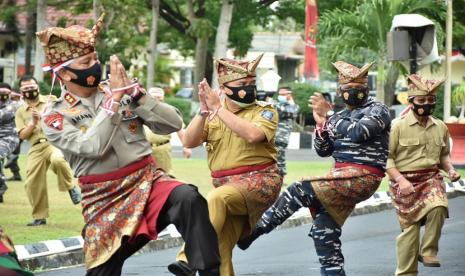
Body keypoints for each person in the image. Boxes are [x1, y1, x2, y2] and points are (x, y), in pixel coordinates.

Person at [36, 14, 220, 276]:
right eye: (86, 62)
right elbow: (92, 147)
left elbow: (172, 124)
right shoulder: (54, 115)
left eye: (96, 59)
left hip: (147, 180)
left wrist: (138, 95)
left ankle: (210, 271)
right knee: (102, 271)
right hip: (103, 197)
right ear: (64, 72)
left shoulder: (121, 92)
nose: (95, 66)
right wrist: (114, 102)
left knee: (187, 198)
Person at [237, 61, 391, 276]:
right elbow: (324, 150)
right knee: (323, 231)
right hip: (340, 177)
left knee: (301, 187)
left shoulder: (378, 109)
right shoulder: (337, 116)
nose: (353, 92)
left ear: (366, 88)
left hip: (363, 176)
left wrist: (329, 117)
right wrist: (321, 125)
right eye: (347, 89)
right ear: (340, 91)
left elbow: (360, 132)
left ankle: (256, 229)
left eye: (358, 88)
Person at [169, 54, 282, 276]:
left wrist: (218, 109)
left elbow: (253, 135)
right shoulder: (212, 116)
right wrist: (204, 111)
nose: (249, 88)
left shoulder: (264, 111)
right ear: (224, 88)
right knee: (220, 249)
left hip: (260, 182)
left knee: (214, 198)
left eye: (252, 84)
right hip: (227, 189)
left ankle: (188, 257)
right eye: (242, 85)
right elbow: (189, 141)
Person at [387, 74, 461, 275]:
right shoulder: (397, 126)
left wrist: (451, 170)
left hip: (431, 178)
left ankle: (428, 251)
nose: (426, 104)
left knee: (439, 205)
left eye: (430, 100)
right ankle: (406, 273)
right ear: (411, 101)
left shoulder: (440, 127)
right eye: (421, 100)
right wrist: (401, 180)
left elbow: (444, 155)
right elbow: (387, 159)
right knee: (409, 233)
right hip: (404, 183)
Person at [15, 75, 81, 226]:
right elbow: (23, 136)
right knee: (32, 182)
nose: (30, 90)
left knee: (58, 160)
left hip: (54, 142)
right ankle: (40, 217)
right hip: (36, 147)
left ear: (38, 87)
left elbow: (67, 110)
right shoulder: (20, 111)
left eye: (32, 87)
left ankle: (71, 187)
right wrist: (33, 123)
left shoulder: (51, 100)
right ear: (21, 91)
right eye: (26, 88)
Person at [144, 87, 191, 174]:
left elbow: (180, 129)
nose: (157, 100)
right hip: (145, 150)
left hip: (163, 149)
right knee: (145, 176)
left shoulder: (169, 111)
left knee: (165, 175)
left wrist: (186, 146)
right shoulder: (142, 111)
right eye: (154, 98)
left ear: (163, 98)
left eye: (159, 98)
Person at [0, 83, 20, 203]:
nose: (2, 95)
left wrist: (18, 96)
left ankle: (1, 185)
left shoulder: (15, 105)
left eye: (5, 93)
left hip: (9, 138)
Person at [275, 86, 299, 176]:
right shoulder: (277, 104)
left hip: (281, 136)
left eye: (283, 94)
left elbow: (291, 111)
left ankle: (281, 176)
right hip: (272, 135)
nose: (280, 96)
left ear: (289, 95)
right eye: (279, 94)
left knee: (280, 158)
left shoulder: (294, 107)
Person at [4, 89, 23, 182]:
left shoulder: (19, 103)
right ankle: (16, 174)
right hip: (15, 131)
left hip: (16, 130)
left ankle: (13, 157)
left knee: (11, 150)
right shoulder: (10, 103)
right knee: (11, 152)